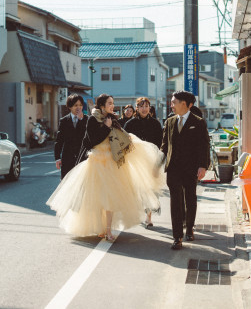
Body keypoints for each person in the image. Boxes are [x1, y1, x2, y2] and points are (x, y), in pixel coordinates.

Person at [47, 94, 164, 242]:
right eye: (110, 103)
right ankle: (101, 228)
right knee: (97, 198)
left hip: (112, 162)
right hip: (97, 162)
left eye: (113, 103)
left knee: (111, 197)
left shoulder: (113, 118)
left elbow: (121, 135)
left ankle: (108, 230)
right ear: (102, 105)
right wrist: (106, 128)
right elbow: (91, 142)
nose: (112, 106)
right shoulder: (92, 119)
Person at [161, 91, 209, 250]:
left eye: (174, 102)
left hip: (191, 168)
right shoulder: (169, 122)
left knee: (190, 197)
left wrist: (203, 166)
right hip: (173, 168)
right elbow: (164, 146)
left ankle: (189, 228)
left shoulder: (199, 122)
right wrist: (158, 163)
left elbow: (204, 146)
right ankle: (177, 237)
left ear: (184, 104)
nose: (171, 105)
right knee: (175, 202)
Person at [124, 97, 163, 227]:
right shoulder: (130, 124)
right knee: (137, 189)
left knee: (151, 188)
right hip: (135, 162)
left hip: (152, 161)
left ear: (150, 108)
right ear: (137, 108)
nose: (144, 109)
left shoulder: (156, 124)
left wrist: (159, 162)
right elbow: (124, 142)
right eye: (141, 106)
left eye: (146, 106)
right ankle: (139, 212)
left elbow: (160, 144)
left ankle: (148, 217)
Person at [54, 94, 88, 179]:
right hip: (67, 158)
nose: (78, 108)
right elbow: (59, 140)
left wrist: (81, 120)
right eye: (75, 105)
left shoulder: (87, 119)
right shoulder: (64, 121)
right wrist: (57, 158)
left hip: (83, 158)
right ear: (70, 106)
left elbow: (87, 137)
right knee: (66, 184)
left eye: (80, 105)